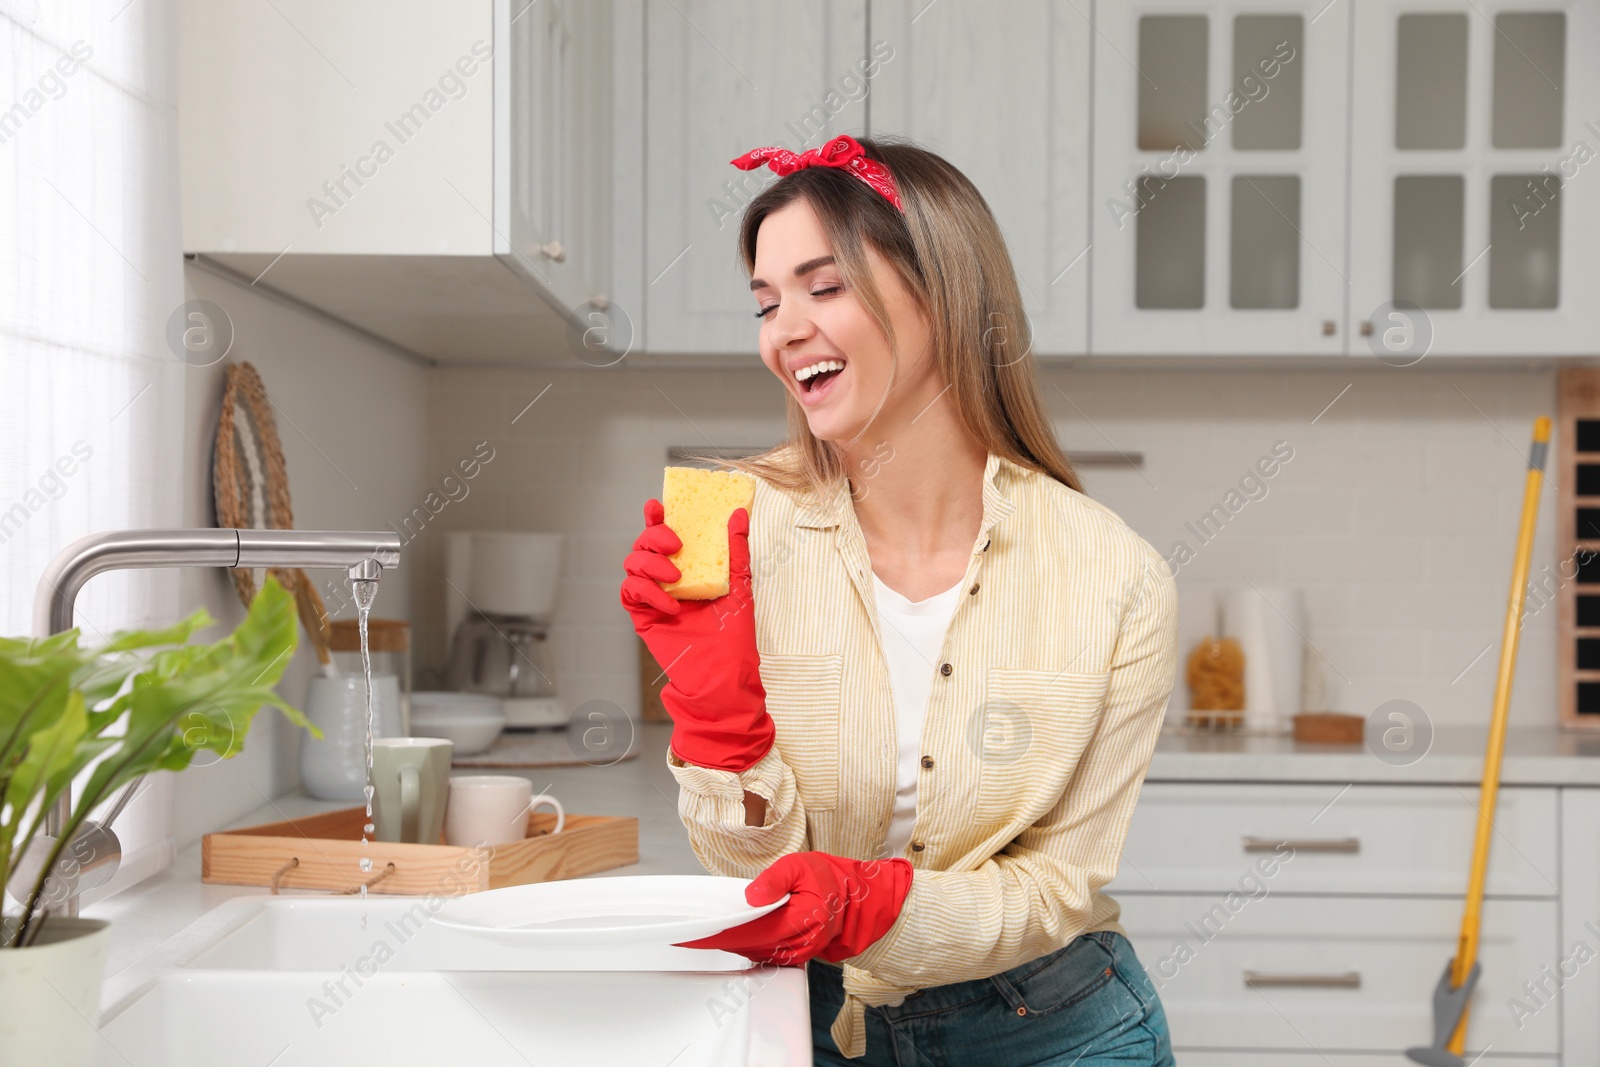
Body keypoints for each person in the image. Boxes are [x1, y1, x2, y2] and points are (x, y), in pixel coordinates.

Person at [620, 133, 1179, 1065]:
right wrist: (720, 728)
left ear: (943, 292)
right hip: (807, 1023)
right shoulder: (730, 529)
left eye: (824, 286)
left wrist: (877, 904)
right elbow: (756, 883)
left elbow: (1058, 889)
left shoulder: (1115, 575)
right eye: (766, 302)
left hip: (1057, 1026)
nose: (782, 330)